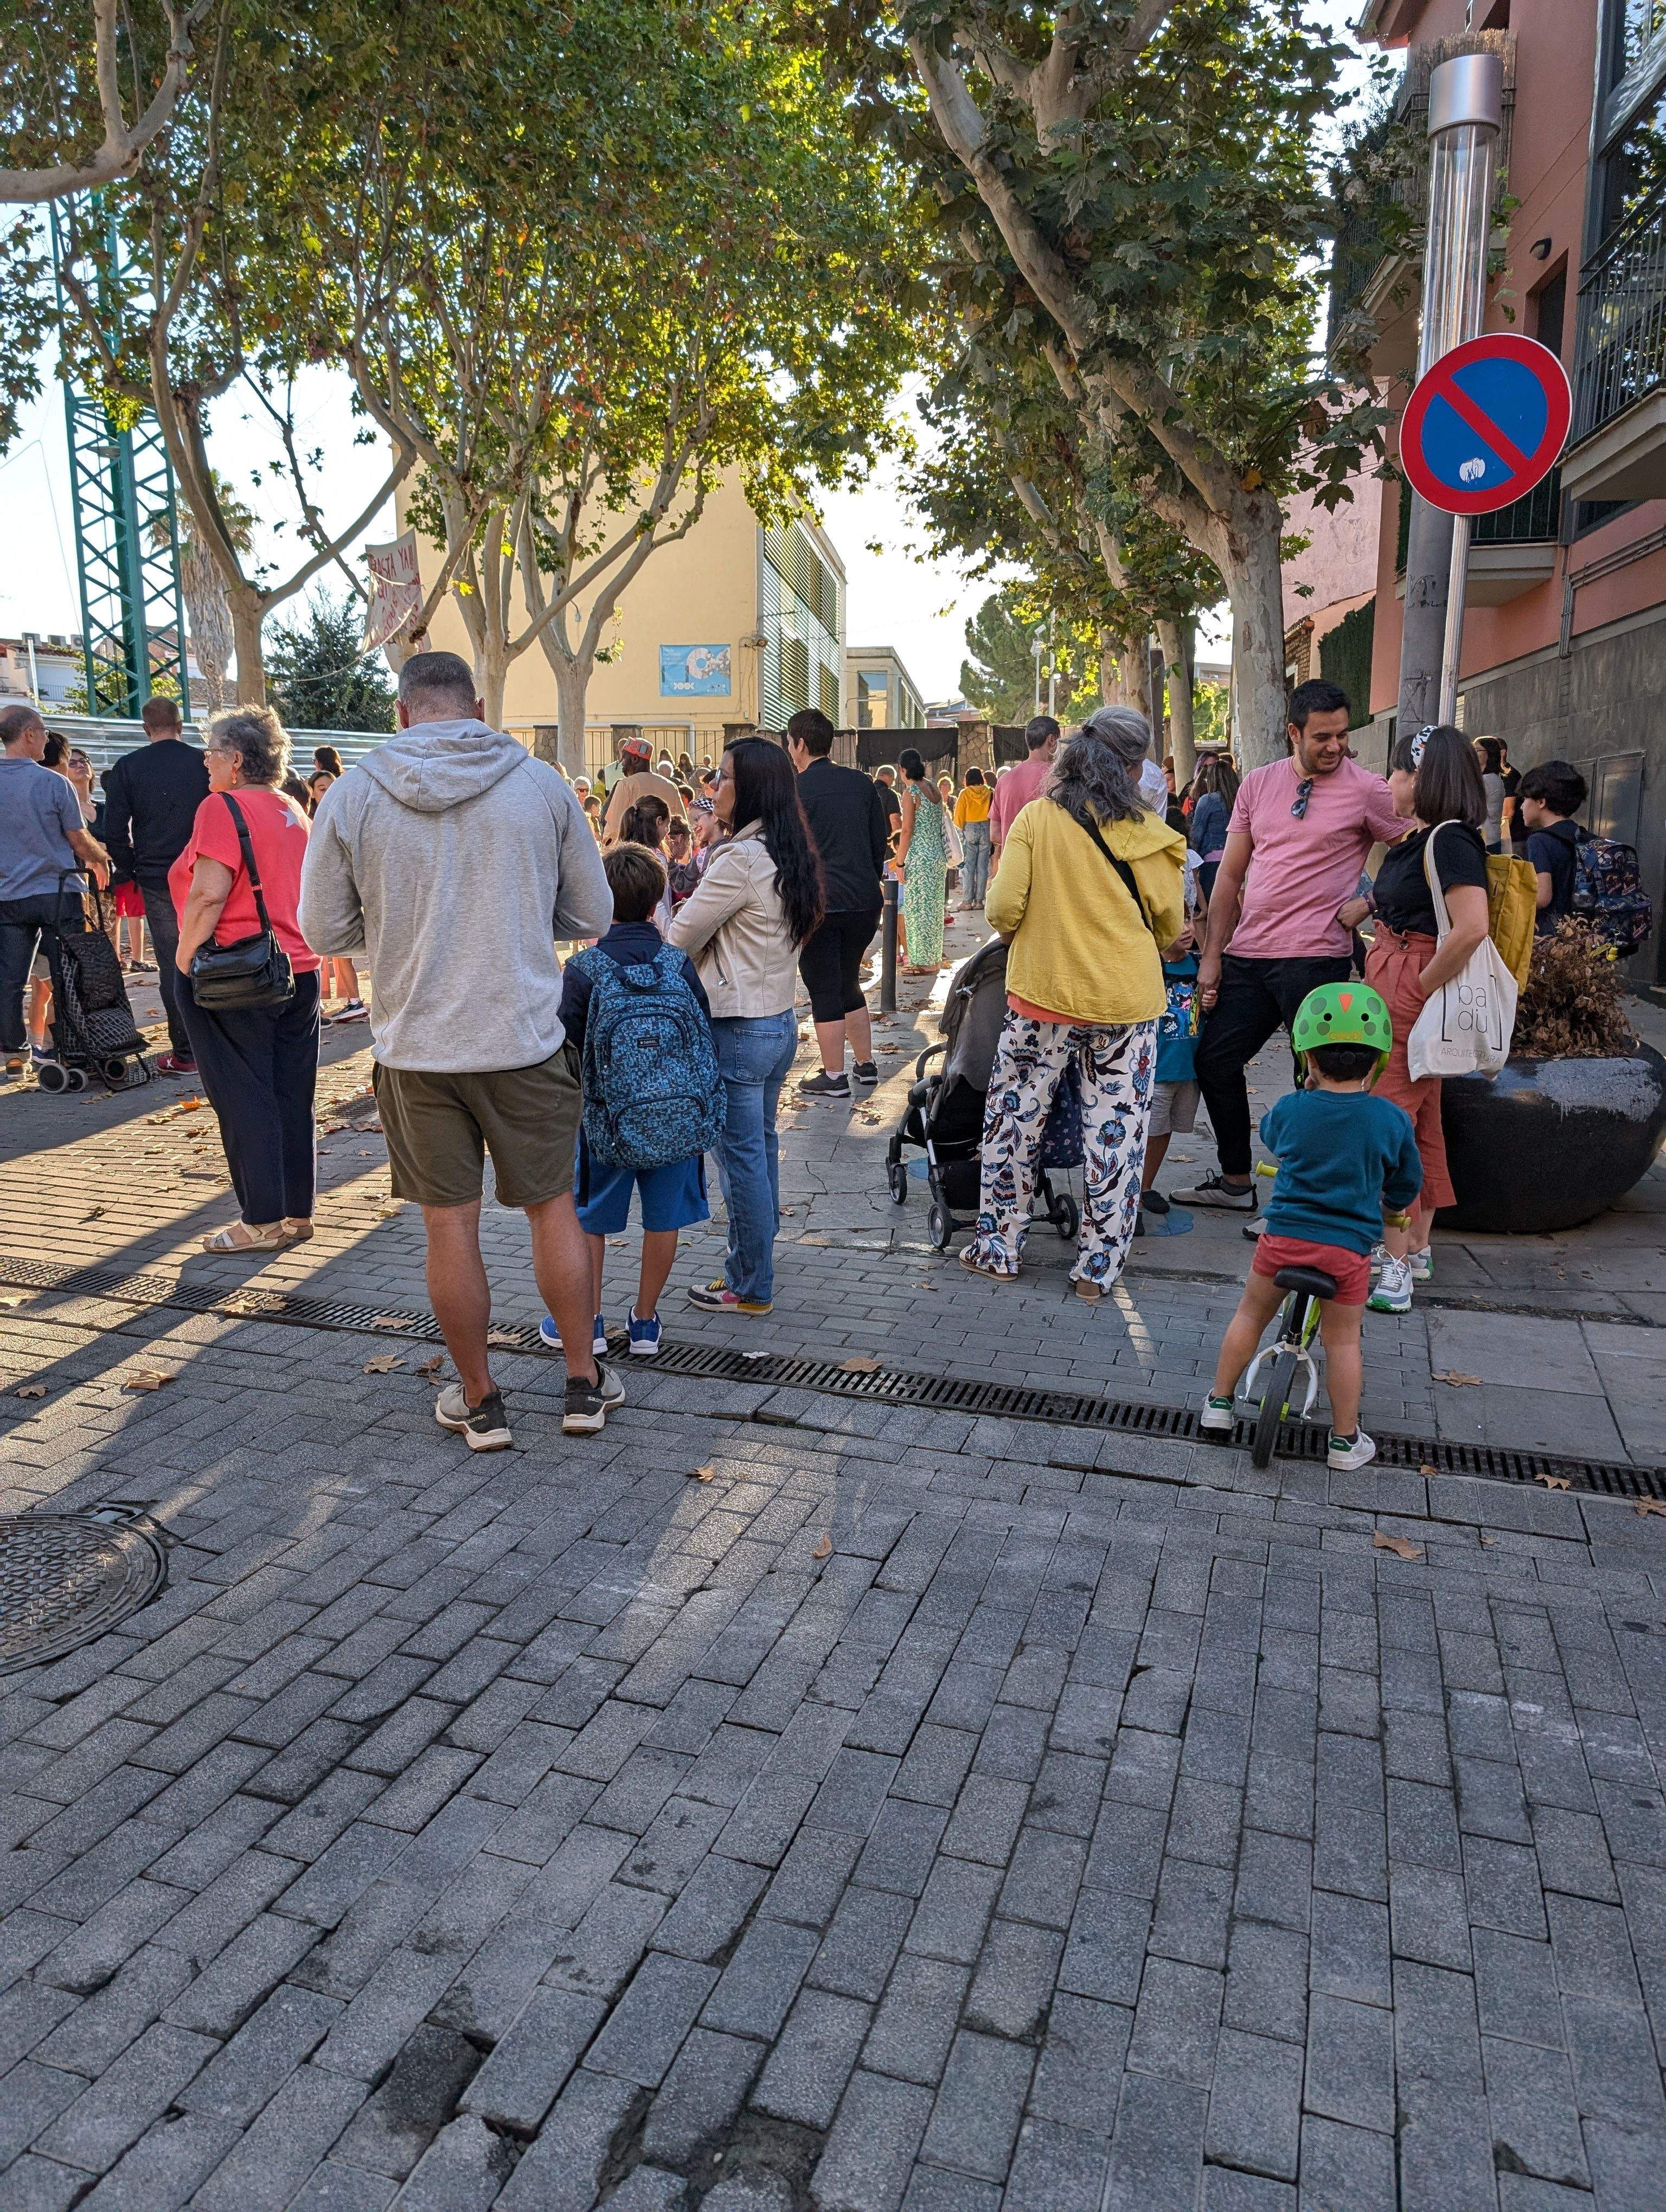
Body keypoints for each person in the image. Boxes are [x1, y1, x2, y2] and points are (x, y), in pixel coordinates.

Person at [298, 648, 616, 1445]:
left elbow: (323, 930)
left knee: (451, 1227)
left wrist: (399, 929)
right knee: (554, 1210)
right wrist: (515, 917)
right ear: (478, 707)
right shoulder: (540, 783)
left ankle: (480, 1401)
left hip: (415, 1048)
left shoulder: (355, 794)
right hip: (524, 1040)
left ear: (401, 713)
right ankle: (582, 1386)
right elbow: (593, 911)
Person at [963, 708, 1186, 1296]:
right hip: (1128, 1005)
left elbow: (1003, 911)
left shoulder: (1037, 818)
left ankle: (999, 1249)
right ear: (1135, 770)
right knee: (1117, 1134)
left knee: (1014, 1123)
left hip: (1043, 997)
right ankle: (1097, 1269)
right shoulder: (1155, 838)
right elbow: (1169, 928)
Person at [1181, 679, 1401, 1214]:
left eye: (1343, 735)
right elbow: (1230, 876)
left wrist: (1369, 905)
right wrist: (1212, 957)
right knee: (1214, 1059)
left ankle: (1305, 1207)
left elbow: (1416, 854)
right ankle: (1236, 1181)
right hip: (1250, 954)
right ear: (1294, 732)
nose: (1335, 746)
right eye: (1323, 736)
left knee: (1320, 1082)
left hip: (1316, 958)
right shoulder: (1258, 784)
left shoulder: (1368, 790)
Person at [1201, 982, 1421, 1473]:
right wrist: (1393, 1207)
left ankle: (1218, 1405)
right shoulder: (1392, 1120)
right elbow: (1405, 1184)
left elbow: (1275, 1140)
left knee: (1250, 1315)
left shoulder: (1292, 1108)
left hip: (1282, 1242)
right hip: (1346, 1254)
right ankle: (1344, 1442)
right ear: (1377, 1062)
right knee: (1344, 1342)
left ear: (1308, 1060)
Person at [669, 734, 823, 1313]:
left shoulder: (739, 859)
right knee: (757, 1148)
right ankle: (756, 1261)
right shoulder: (787, 850)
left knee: (741, 1161)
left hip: (738, 1028)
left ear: (752, 787)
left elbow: (679, 939)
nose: (713, 787)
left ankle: (749, 1282)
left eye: (723, 777)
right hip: (776, 1022)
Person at [552, 842, 715, 1363]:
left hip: (606, 1121)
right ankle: (644, 1322)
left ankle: (590, 1320)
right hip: (677, 1116)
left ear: (601, 901)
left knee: (592, 1219)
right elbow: (702, 1034)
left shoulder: (585, 970)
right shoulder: (677, 964)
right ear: (655, 904)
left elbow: (564, 1044)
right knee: (663, 1220)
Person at [169, 708, 321, 1251]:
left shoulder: (221, 806)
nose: (205, 761)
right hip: (296, 967)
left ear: (236, 760)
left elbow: (209, 892)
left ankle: (260, 1222)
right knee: (290, 1094)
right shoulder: (291, 808)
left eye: (210, 751)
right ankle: (296, 1215)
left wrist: (182, 963)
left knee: (243, 1097)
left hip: (234, 973)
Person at [1352, 724, 1491, 1314]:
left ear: (1424, 777)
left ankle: (1395, 1263)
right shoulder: (1428, 837)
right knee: (1422, 1121)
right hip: (1397, 976)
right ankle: (1417, 1245)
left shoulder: (1451, 840)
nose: (1389, 783)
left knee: (1384, 1125)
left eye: (1399, 772)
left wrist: (1416, 988)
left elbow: (1472, 927)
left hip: (1408, 982)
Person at [100, 692, 210, 1075]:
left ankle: (186, 1051)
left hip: (158, 877)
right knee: (218, 951)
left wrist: (131, 868)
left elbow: (114, 830)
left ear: (146, 729)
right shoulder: (204, 763)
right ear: (180, 725)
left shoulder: (128, 768)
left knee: (173, 962)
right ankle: (221, 1045)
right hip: (206, 872)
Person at [0, 704, 111, 1078]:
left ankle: (15, 1055)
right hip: (57, 890)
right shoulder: (54, 783)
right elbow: (78, 839)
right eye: (44, 731)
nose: (47, 739)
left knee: (10, 978)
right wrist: (102, 859)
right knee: (68, 973)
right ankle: (72, 1051)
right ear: (28, 735)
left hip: (9, 897)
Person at [786, 706, 888, 1097]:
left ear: (799, 744)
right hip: (864, 901)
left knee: (823, 985)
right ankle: (865, 1065)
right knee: (847, 981)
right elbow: (878, 843)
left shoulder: (795, 790)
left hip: (819, 903)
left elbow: (788, 849)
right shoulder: (862, 784)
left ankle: (833, 1077)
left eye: (791, 744)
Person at [894, 747, 949, 976]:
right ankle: (933, 960)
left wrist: (899, 862)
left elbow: (906, 831)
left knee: (917, 910)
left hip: (919, 857)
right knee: (934, 910)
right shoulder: (933, 787)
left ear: (903, 769)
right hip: (938, 857)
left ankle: (921, 962)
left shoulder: (911, 792)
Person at [1517, 760, 1587, 934]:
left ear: (1541, 802)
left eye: (1525, 799)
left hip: (1551, 940)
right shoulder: (1582, 835)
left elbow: (1542, 897)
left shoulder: (1539, 841)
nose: (1521, 806)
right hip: (1582, 935)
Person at [989, 715, 1059, 859]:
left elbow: (995, 835)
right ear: (1052, 740)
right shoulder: (1059, 779)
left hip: (1012, 868)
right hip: (1047, 867)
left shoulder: (1004, 780)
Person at [602, 734, 683, 844]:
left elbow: (614, 829)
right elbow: (682, 827)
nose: (623, 764)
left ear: (635, 759)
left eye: (624, 759)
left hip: (636, 856)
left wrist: (608, 853)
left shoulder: (626, 785)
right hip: (666, 856)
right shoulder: (670, 786)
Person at [1187, 751, 1240, 904]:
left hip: (1212, 863)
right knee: (1235, 913)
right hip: (1238, 860)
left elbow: (1197, 834)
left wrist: (1193, 863)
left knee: (1214, 912)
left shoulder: (1208, 800)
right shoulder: (1240, 800)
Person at [953, 766, 993, 908]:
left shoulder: (965, 794)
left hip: (969, 828)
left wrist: (959, 830)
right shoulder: (989, 792)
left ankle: (967, 901)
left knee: (969, 867)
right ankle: (979, 901)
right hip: (986, 828)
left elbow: (958, 818)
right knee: (982, 867)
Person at [1473, 737, 1507, 853]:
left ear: (1489, 754)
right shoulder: (1492, 778)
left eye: (1477, 750)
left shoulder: (1488, 780)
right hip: (1489, 839)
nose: (1473, 753)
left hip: (1486, 842)